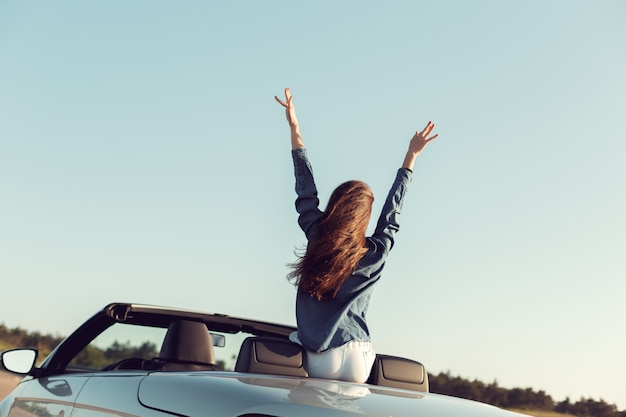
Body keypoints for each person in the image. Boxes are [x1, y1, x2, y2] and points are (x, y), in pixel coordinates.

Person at [275, 87, 439, 383]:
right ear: (363, 217)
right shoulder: (375, 253)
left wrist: (295, 129)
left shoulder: (317, 237)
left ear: (336, 206)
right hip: (359, 356)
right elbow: (392, 216)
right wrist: (410, 158)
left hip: (319, 355)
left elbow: (306, 192)